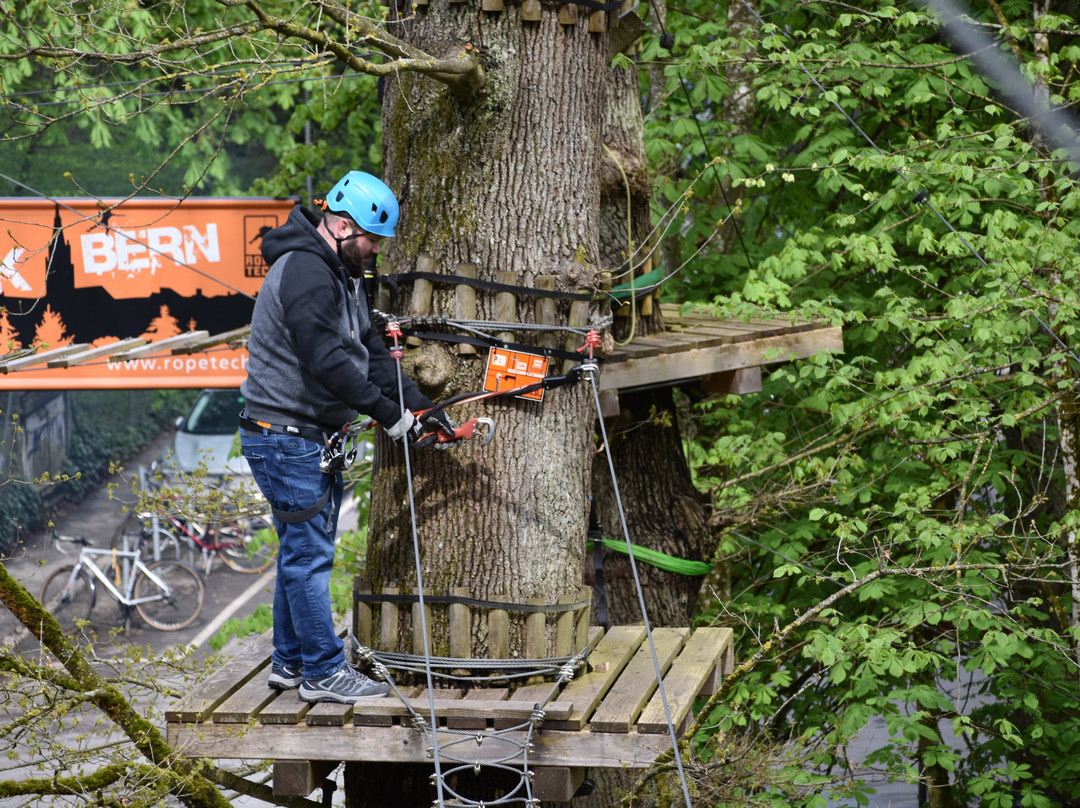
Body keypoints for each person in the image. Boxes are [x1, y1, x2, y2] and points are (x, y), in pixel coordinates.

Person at [239, 170, 453, 704]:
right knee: (310, 558)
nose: (375, 250)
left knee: (300, 551)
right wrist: (388, 416)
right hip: (286, 438)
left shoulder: (343, 272)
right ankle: (323, 673)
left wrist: (420, 408)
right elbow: (328, 361)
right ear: (339, 225)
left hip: (303, 437)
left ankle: (290, 662)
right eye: (370, 239)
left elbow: (370, 352)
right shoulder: (307, 273)